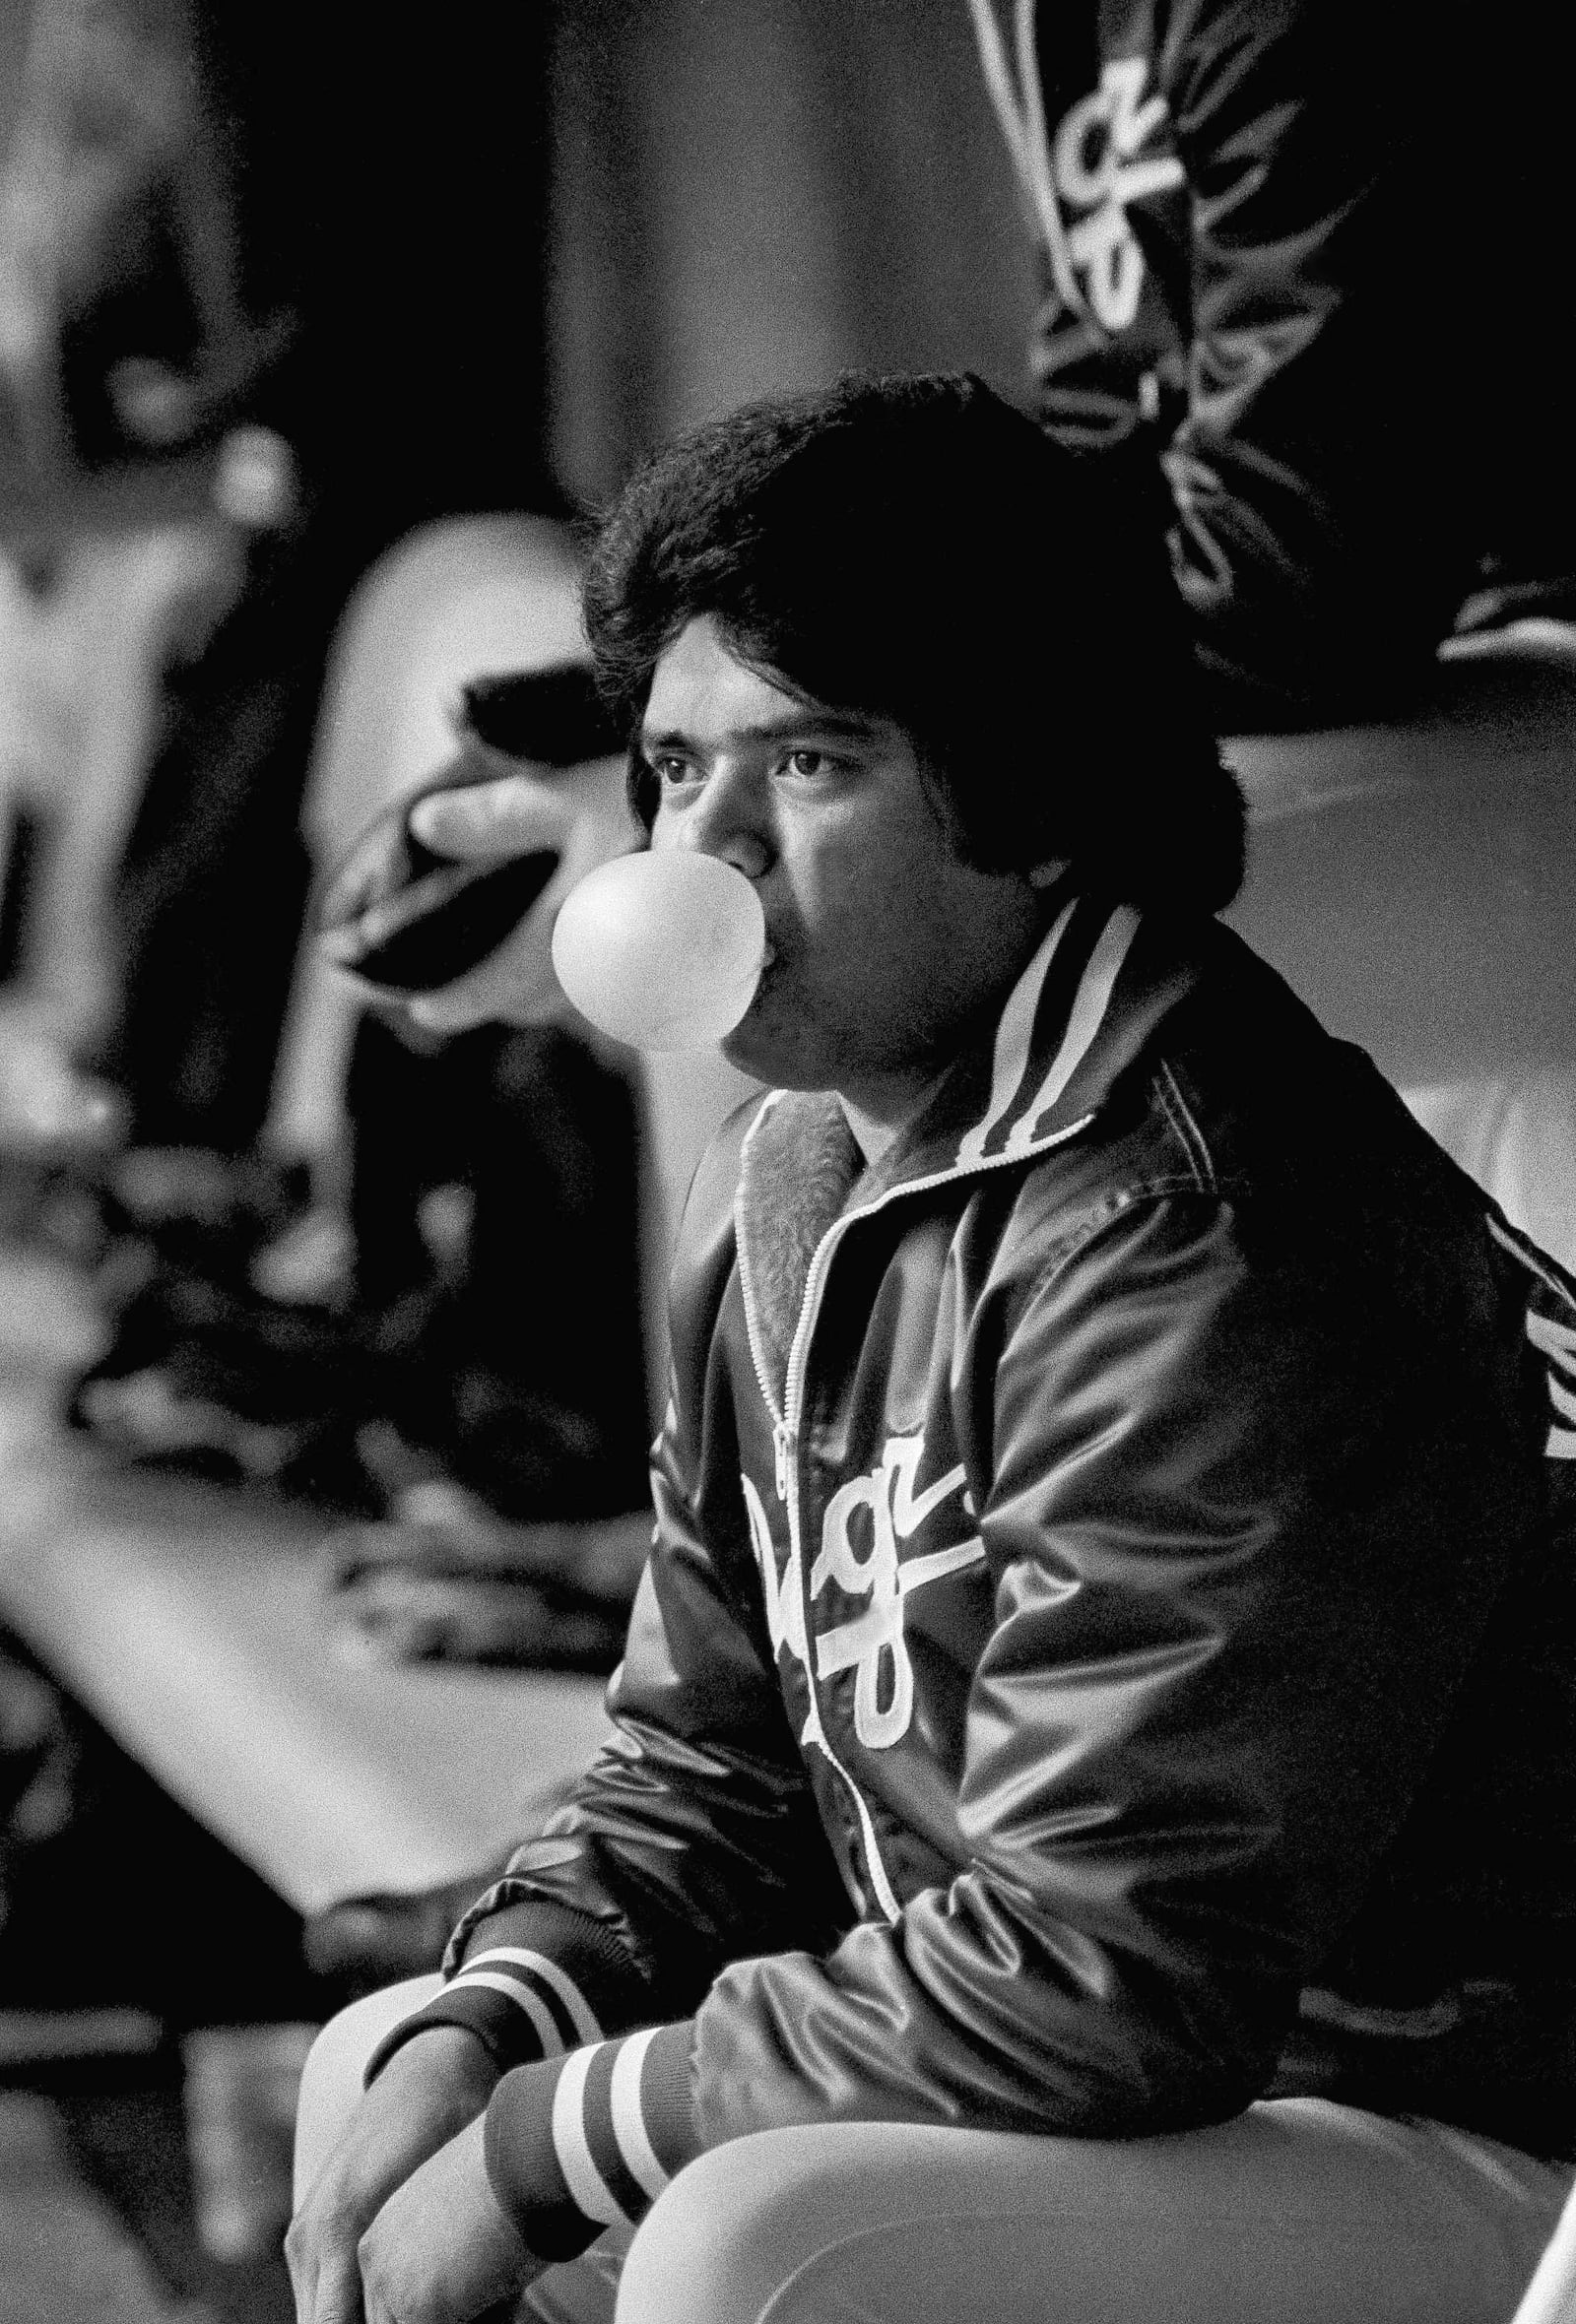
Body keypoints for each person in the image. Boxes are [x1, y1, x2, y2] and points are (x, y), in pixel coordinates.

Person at [287, 374, 1576, 2324]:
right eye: (668, 766)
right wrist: (503, 2008)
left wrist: (565, 2132)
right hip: (1083, 2074)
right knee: (386, 2062)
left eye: (803, 765)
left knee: (738, 2240)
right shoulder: (785, 1167)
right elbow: (709, 1762)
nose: (696, 851)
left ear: (1033, 801)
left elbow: (1115, 1966)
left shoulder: (1209, 1232)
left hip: (1423, 2112)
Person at [962, 0, 1576, 731]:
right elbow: (1103, 401)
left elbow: (1303, 604)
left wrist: (950, 676)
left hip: (1526, 635)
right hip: (1394, 637)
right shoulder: (1035, 20)